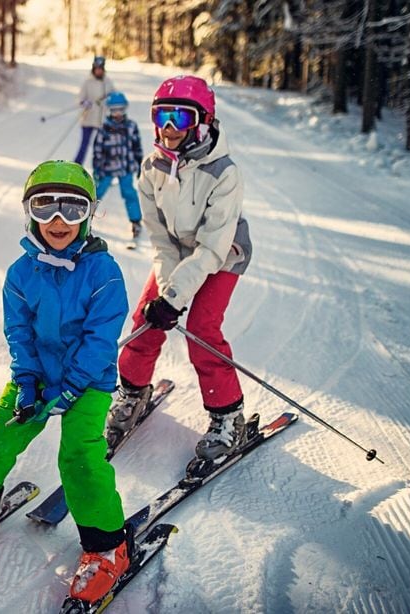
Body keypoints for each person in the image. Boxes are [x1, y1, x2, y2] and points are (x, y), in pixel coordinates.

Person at [0, 160, 132, 604]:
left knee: (78, 458)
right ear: (29, 212)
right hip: (38, 377)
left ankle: (107, 548)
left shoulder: (104, 273)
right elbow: (17, 332)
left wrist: (74, 387)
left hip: (88, 383)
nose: (58, 220)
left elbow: (100, 340)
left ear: (89, 214)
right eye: (45, 207)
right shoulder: (21, 274)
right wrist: (26, 379)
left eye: (72, 209)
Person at [105, 75, 253, 478]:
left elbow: (210, 249)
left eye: (179, 117)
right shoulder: (150, 167)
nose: (168, 128)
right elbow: (161, 241)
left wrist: (179, 299)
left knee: (202, 328)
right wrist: (168, 295)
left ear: (203, 122)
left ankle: (228, 416)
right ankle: (133, 392)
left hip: (221, 255)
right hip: (178, 253)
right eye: (161, 117)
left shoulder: (224, 172)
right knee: (145, 321)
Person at [92, 91, 144, 244]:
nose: (118, 113)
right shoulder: (104, 128)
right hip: (107, 168)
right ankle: (84, 218)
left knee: (129, 193)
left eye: (121, 109)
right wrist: (97, 168)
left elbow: (137, 146)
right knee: (97, 192)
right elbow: (97, 149)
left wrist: (139, 163)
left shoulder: (131, 126)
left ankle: (135, 221)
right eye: (114, 110)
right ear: (109, 110)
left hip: (126, 167)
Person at [73, 56, 114, 166]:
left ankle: (102, 169)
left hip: (101, 120)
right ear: (93, 69)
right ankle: (76, 166)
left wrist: (107, 101)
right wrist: (84, 103)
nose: (99, 71)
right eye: (97, 68)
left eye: (100, 68)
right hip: (88, 119)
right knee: (84, 145)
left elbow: (114, 97)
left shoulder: (108, 82)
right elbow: (79, 99)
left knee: (101, 146)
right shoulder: (87, 82)